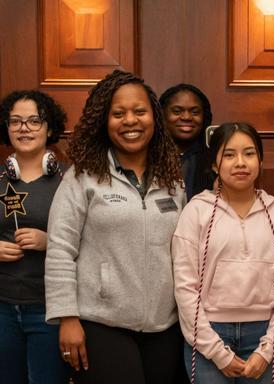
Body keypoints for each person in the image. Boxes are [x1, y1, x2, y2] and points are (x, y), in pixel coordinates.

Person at [45, 70, 186, 384]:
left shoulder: (172, 180)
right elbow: (59, 249)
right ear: (103, 122)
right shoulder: (82, 176)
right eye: (118, 113)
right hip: (101, 324)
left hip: (165, 326)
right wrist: (67, 317)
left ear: (155, 118)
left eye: (140, 111)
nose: (130, 121)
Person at [173, 122, 274, 383]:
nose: (240, 162)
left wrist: (268, 349)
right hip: (208, 335)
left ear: (261, 161)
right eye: (229, 154)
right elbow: (185, 288)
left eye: (249, 153)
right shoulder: (196, 212)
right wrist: (217, 352)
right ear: (214, 164)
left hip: (263, 336)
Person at [0, 89, 70, 384]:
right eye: (15, 121)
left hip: (50, 308)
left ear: (49, 127)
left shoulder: (71, 179)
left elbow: (88, 244)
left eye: (33, 121)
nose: (24, 128)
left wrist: (47, 241)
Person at [160, 83, 215, 197]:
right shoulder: (149, 155)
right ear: (162, 115)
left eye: (195, 112)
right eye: (177, 111)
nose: (186, 117)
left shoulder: (214, 157)